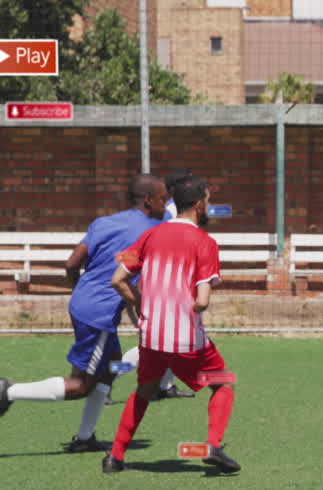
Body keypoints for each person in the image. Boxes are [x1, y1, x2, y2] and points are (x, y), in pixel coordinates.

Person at [0, 174, 167, 451]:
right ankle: (9, 391)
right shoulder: (155, 230)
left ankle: (85, 438)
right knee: (81, 385)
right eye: (163, 198)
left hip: (82, 303)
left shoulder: (104, 222)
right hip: (99, 315)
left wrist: (84, 291)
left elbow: (71, 264)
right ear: (148, 200)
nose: (166, 203)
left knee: (112, 368)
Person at [103, 175, 240, 474]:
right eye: (208, 200)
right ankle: (212, 445)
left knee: (144, 391)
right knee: (223, 383)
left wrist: (141, 302)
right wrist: (188, 308)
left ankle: (115, 457)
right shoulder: (205, 242)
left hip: (151, 335)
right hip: (186, 340)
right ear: (200, 204)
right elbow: (202, 300)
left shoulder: (150, 235)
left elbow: (118, 279)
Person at [111, 168, 196, 404]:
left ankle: (164, 386)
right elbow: (133, 252)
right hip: (150, 289)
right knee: (152, 345)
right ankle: (108, 379)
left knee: (168, 342)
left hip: (157, 287)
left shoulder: (170, 212)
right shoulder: (167, 214)